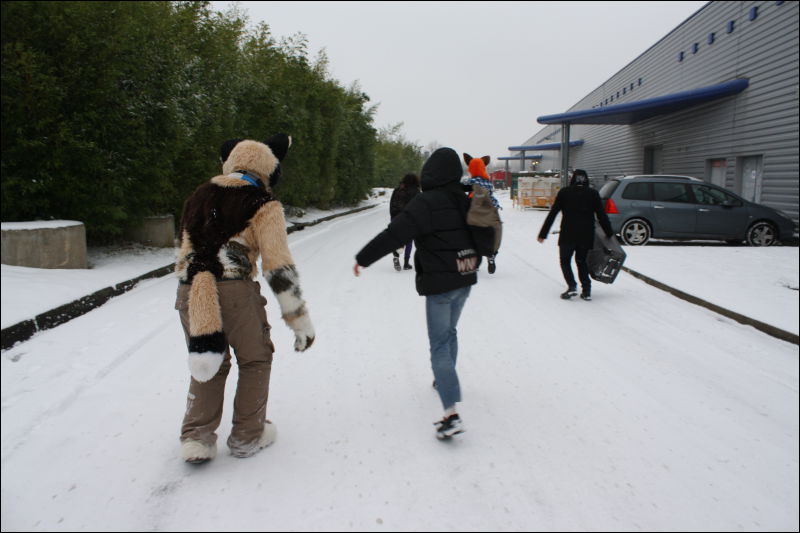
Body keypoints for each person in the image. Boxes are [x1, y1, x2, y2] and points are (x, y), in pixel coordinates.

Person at [174, 136, 315, 464]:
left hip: (190, 291)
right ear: (269, 169)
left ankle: (197, 438)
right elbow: (277, 265)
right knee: (255, 359)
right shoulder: (263, 203)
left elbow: (185, 248)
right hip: (234, 289)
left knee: (210, 359)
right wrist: (298, 319)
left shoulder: (198, 195)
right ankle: (247, 435)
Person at [353, 147, 478, 440]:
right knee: (450, 333)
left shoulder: (426, 202)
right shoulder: (464, 198)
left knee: (438, 343)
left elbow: (394, 234)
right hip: (466, 275)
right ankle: (443, 379)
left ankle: (451, 413)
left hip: (441, 283)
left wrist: (364, 257)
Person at [537, 169, 613, 301]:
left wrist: (543, 233)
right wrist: (609, 233)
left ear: (573, 179)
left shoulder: (565, 192)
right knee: (581, 261)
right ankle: (587, 291)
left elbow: (553, 213)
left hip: (568, 233)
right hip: (586, 234)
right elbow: (601, 215)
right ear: (586, 180)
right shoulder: (593, 194)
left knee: (565, 261)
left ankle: (572, 286)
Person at [389, 173, 420, 271]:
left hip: (396, 217)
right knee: (409, 241)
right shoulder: (416, 191)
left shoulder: (397, 190)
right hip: (409, 219)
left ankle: (396, 257)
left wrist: (393, 217)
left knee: (397, 239)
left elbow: (392, 204)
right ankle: (406, 263)